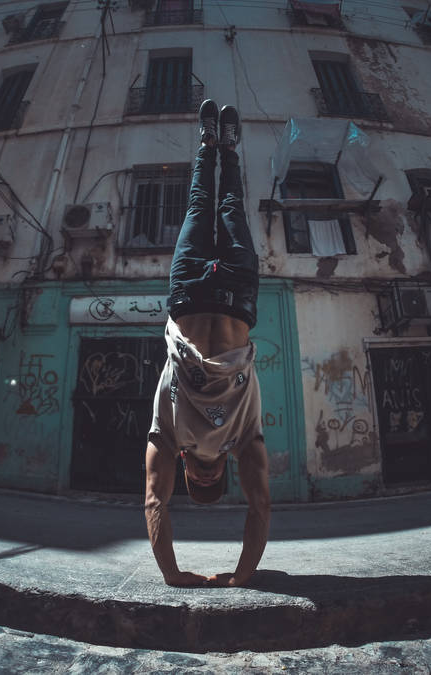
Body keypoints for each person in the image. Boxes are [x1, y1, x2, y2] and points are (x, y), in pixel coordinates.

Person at [144, 100, 271, 588]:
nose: (197, 477)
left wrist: (174, 573)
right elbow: (259, 503)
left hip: (192, 295)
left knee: (201, 204)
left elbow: (156, 498)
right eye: (204, 481)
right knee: (227, 206)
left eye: (195, 482)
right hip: (232, 296)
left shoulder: (170, 435)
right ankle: (227, 150)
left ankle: (210, 144)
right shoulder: (245, 441)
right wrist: (240, 574)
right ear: (221, 472)